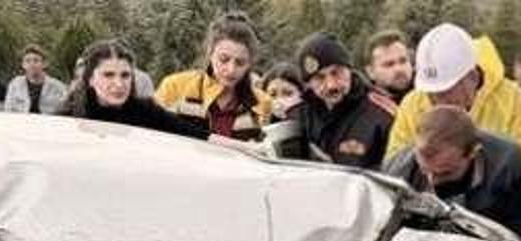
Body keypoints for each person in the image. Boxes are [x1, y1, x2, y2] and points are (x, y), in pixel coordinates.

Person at [384, 105, 521, 241]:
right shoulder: (397, 171)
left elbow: (518, 232)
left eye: (445, 173)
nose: (432, 181)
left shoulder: (507, 164)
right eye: (424, 170)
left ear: (473, 153)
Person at [386, 23, 521, 163]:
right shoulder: (412, 104)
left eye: (445, 91)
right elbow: (395, 162)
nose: (437, 101)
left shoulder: (510, 98)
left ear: (472, 77)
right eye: (430, 93)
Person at [154, 11, 271, 142]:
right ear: (210, 54)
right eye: (224, 59)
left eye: (240, 63)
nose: (231, 70)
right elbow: (149, 133)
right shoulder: (175, 86)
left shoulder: (262, 103)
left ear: (250, 63)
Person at [60, 40, 208, 139]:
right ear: (90, 79)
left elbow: (196, 133)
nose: (119, 84)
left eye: (125, 75)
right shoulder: (67, 117)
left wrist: (230, 146)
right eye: (108, 75)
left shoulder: (145, 110)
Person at [289, 32, 395, 169]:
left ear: (349, 70)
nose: (331, 85)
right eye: (320, 78)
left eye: (336, 73)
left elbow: (398, 171)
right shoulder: (296, 118)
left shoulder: (382, 114)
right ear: (308, 83)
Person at [4, 45, 68, 114]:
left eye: (36, 60)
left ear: (44, 64)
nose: (32, 64)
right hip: (22, 122)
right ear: (23, 65)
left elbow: (64, 108)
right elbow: (8, 109)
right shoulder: (15, 84)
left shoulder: (57, 86)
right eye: (28, 61)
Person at [364, 30, 413, 104]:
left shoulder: (429, 95)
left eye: (403, 61)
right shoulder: (367, 111)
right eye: (389, 64)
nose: (399, 69)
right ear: (371, 72)